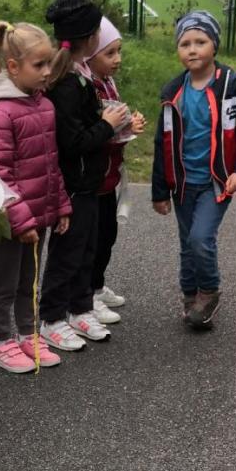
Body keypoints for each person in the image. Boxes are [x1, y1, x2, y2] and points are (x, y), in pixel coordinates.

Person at [152, 9, 236, 328]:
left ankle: (209, 292)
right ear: (178, 50)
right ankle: (190, 295)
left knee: (201, 239)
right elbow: (163, 143)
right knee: (187, 243)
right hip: (182, 184)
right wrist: (160, 191)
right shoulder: (172, 92)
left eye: (201, 41)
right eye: (185, 43)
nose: (193, 49)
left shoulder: (235, 86)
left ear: (215, 45)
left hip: (217, 182)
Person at [0, 20, 71, 373]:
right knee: (5, 281)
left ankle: (27, 333)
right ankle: (1, 341)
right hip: (12, 219)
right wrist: (20, 221)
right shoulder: (0, 113)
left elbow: (51, 163)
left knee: (29, 279)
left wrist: (60, 205)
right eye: (40, 65)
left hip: (40, 215)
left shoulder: (44, 106)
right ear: (14, 68)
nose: (48, 72)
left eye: (49, 63)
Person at [39, 0, 126, 350]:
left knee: (86, 249)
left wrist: (111, 123)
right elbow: (73, 141)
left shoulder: (83, 78)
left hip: (88, 183)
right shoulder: (67, 85)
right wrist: (107, 125)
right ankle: (51, 317)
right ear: (90, 39)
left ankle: (79, 307)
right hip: (73, 183)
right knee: (67, 254)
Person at [86, 16, 145, 323]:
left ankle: (97, 285)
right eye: (110, 53)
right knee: (94, 239)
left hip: (109, 176)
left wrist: (127, 125)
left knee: (107, 235)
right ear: (89, 55)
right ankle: (89, 293)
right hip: (94, 178)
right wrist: (123, 127)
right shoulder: (88, 89)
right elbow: (98, 131)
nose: (117, 59)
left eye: (119, 51)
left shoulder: (108, 82)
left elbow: (113, 124)